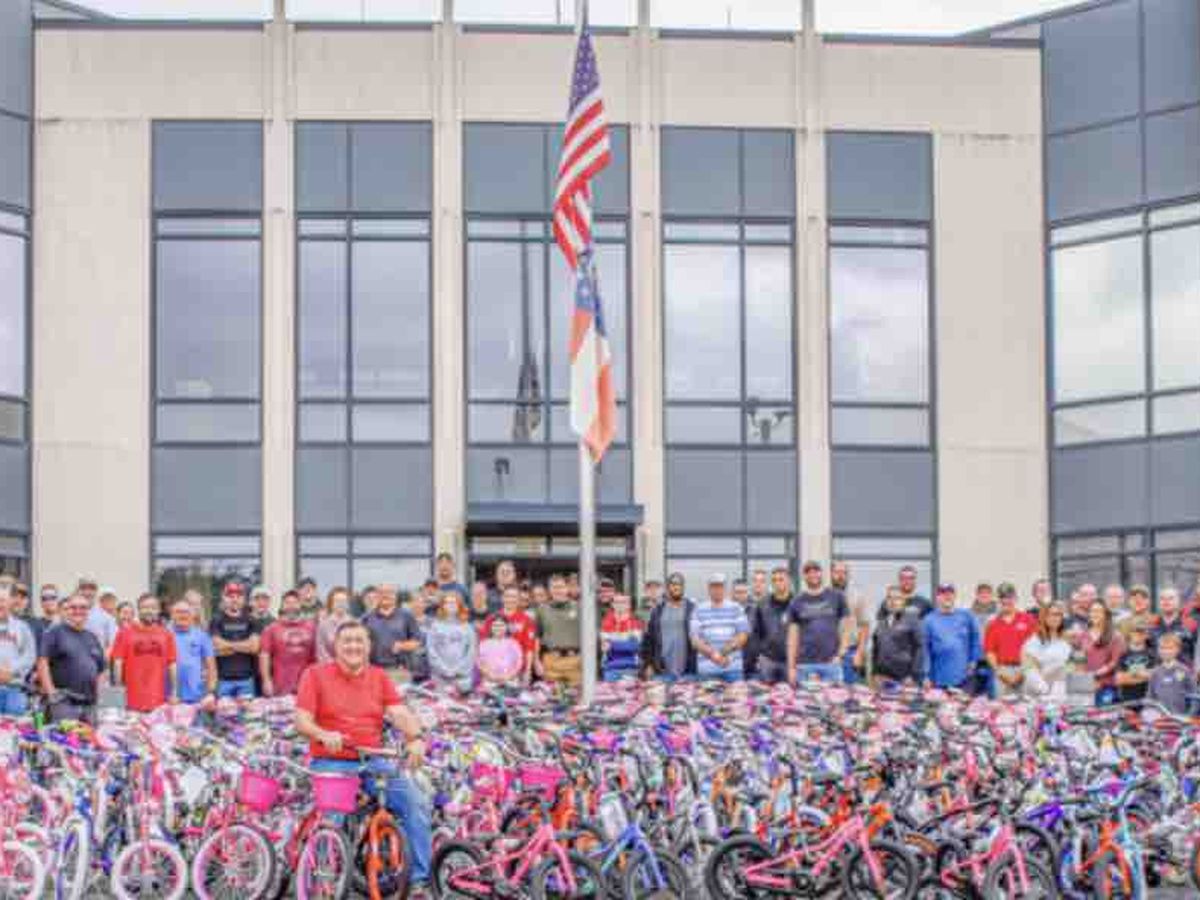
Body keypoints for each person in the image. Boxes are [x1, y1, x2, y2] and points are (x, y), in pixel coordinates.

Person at [295, 621, 432, 890]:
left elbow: (399, 713)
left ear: (368, 646)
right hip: (332, 760)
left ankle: (418, 882)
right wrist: (322, 733)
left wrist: (415, 738)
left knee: (415, 802)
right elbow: (302, 721)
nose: (353, 646)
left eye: (359, 641)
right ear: (336, 646)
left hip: (372, 759)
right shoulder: (315, 674)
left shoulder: (379, 677)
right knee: (332, 820)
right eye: (347, 641)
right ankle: (323, 883)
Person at [38, 593, 107, 722]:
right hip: (64, 704)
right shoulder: (55, 632)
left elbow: (101, 670)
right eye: (73, 607)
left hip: (90, 705)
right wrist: (51, 693)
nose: (78, 611)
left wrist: (100, 697)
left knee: (90, 735)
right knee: (63, 736)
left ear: (89, 611)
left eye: (83, 607)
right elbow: (42, 662)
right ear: (67, 610)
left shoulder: (92, 637)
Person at [786, 560, 851, 686]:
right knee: (804, 699)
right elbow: (792, 637)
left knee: (834, 698)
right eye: (808, 572)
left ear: (821, 574)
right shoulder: (796, 601)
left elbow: (846, 628)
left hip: (831, 664)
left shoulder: (837, 597)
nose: (813, 575)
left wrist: (840, 655)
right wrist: (791, 667)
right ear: (804, 576)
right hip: (805, 665)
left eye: (816, 571)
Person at [110, 594, 177, 713]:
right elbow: (117, 663)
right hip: (131, 703)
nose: (149, 611)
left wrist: (174, 692)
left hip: (158, 702)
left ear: (158, 610)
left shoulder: (166, 635)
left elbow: (172, 665)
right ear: (138, 610)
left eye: (153, 607)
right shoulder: (124, 633)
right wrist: (118, 693)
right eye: (145, 607)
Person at [922, 583, 982, 691]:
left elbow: (975, 639)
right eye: (943, 594)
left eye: (950, 593)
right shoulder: (929, 620)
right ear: (937, 597)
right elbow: (925, 649)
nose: (947, 596)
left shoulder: (966, 616)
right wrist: (926, 675)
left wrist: (973, 661)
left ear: (954, 596)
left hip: (964, 677)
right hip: (938, 679)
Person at [690, 575, 748, 683]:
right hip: (707, 670)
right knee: (706, 695)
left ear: (725, 588)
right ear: (708, 589)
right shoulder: (698, 609)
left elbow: (743, 636)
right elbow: (695, 640)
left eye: (720, 586)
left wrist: (721, 653)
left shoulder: (737, 608)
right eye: (714, 586)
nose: (717, 590)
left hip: (733, 669)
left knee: (736, 695)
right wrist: (713, 655)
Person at [259, 589, 317, 697]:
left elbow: (316, 656)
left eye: (295, 602)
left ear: (300, 605)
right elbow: (264, 655)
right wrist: (266, 680)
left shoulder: (312, 627)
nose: (291, 606)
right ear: (282, 606)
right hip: (280, 686)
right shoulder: (271, 629)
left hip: (307, 684)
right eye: (287, 603)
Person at [210, 583, 264, 699]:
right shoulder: (216, 620)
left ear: (244, 599)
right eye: (230, 596)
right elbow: (216, 646)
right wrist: (245, 645)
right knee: (223, 710)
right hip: (223, 680)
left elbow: (254, 648)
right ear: (224, 598)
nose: (234, 600)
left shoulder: (252, 620)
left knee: (247, 711)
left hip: (246, 680)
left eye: (238, 596)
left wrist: (227, 646)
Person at [983, 582, 1037, 698]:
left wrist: (1023, 672)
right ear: (998, 600)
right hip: (1002, 672)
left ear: (1016, 598)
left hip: (1025, 669)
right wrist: (999, 672)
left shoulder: (1028, 620)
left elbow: (1035, 649)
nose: (1006, 601)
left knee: (1027, 706)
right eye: (1002, 597)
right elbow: (989, 652)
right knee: (1002, 707)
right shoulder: (992, 624)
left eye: (1009, 597)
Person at [641, 572, 696, 682]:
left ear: (683, 587)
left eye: (679, 584)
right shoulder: (657, 610)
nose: (676, 587)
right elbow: (648, 639)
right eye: (673, 584)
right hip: (662, 669)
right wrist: (648, 664)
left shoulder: (692, 609)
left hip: (687, 670)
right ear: (667, 587)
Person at [362, 587, 423, 684]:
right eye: (382, 593)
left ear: (395, 597)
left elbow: (417, 642)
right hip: (373, 670)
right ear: (377, 596)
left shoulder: (406, 616)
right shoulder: (367, 618)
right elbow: (361, 644)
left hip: (399, 670)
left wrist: (402, 646)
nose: (385, 595)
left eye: (390, 593)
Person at [534, 574, 582, 687]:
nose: (558, 590)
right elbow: (537, 637)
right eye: (554, 587)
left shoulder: (579, 607)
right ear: (549, 590)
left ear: (567, 588)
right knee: (551, 695)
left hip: (574, 660)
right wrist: (536, 661)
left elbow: (588, 636)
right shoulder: (542, 609)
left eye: (560, 587)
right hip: (551, 661)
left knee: (577, 695)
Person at [872, 585, 925, 687]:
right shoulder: (881, 622)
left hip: (904, 678)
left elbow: (920, 647)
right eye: (889, 598)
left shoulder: (912, 620)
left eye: (897, 598)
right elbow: (876, 649)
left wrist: (913, 675)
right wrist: (875, 673)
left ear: (903, 601)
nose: (893, 601)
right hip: (883, 677)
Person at [482, 585, 536, 683]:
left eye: (514, 597)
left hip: (517, 672)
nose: (510, 599)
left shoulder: (527, 620)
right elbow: (483, 649)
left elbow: (529, 648)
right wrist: (486, 672)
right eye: (507, 596)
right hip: (493, 673)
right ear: (502, 598)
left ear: (519, 599)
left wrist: (528, 671)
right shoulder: (491, 619)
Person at [168, 597, 216, 706]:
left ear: (193, 614)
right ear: (172, 615)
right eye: (178, 612)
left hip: (196, 698)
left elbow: (211, 667)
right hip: (170, 698)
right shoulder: (164, 634)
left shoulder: (202, 636)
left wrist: (210, 692)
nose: (182, 615)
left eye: (186, 612)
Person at [426, 592, 477, 693]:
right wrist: (443, 669)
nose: (451, 605)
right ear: (443, 606)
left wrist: (458, 669)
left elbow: (471, 650)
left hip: (462, 676)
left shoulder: (467, 627)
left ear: (459, 606)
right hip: (440, 676)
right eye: (447, 603)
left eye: (454, 603)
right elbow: (431, 649)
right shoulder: (435, 626)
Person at [751, 567, 794, 684]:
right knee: (765, 693)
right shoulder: (762, 604)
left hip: (791, 661)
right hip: (768, 660)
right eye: (774, 580)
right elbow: (756, 633)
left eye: (781, 579)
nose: (777, 583)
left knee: (792, 692)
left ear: (789, 581)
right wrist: (759, 655)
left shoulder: (797, 603)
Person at [1021, 603, 1071, 701]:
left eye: (1058, 614)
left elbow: (1069, 666)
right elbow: (1029, 669)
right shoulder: (1034, 641)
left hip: (1060, 693)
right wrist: (1045, 690)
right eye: (1050, 614)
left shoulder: (1067, 640)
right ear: (1044, 617)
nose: (1054, 618)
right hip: (1038, 694)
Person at [0, 585, 36, 715]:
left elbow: (30, 656)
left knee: (15, 725)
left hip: (15, 690)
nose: (0, 604)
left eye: (2, 600)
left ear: (10, 602)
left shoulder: (22, 627)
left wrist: (10, 670)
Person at [1081, 601, 1124, 706]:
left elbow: (1114, 662)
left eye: (1098, 611)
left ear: (1105, 614)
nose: (1094, 614)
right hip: (1086, 686)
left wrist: (1096, 675)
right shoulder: (1083, 635)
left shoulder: (1116, 636)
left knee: (1104, 714)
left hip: (1107, 687)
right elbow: (1079, 660)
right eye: (1092, 611)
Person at [599, 593, 643, 682]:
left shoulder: (636, 622)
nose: (620, 605)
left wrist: (613, 645)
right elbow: (605, 648)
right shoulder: (606, 622)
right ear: (612, 604)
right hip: (610, 669)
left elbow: (634, 647)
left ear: (629, 605)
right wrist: (625, 644)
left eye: (623, 602)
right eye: (617, 602)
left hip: (630, 668)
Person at [1147, 632, 1191, 715]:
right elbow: (1150, 696)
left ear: (1178, 649)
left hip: (1179, 717)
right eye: (1162, 648)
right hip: (1159, 717)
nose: (1166, 652)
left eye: (1170, 648)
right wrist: (1149, 712)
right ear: (1158, 650)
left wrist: (1191, 714)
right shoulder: (1155, 672)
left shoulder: (1184, 670)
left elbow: (1194, 693)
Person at [1151, 587, 1196, 666]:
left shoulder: (1191, 625)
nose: (1166, 601)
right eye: (1162, 598)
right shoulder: (1151, 626)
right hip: (1157, 671)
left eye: (1171, 598)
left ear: (1178, 602)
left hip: (1183, 671)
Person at [1114, 621, 1154, 706]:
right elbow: (1119, 680)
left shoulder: (1153, 654)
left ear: (1146, 635)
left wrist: (1130, 675)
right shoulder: (1123, 654)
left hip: (1147, 700)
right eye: (1134, 631)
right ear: (1130, 633)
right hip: (1127, 700)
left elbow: (1154, 676)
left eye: (1141, 632)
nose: (1137, 635)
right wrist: (1142, 675)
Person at [478, 617, 524, 689]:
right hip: (490, 682)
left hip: (510, 681)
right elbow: (480, 663)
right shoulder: (484, 644)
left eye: (501, 625)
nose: (498, 628)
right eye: (495, 625)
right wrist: (491, 676)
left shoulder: (514, 643)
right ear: (491, 628)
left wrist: (508, 676)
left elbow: (519, 662)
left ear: (506, 627)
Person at [316, 586, 353, 664]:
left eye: (343, 601)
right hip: (329, 666)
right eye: (337, 601)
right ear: (331, 603)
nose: (340, 604)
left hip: (351, 665)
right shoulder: (323, 625)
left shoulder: (355, 623)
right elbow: (321, 649)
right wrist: (333, 665)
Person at [84, 583, 118, 657]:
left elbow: (113, 643)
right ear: (100, 600)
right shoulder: (85, 613)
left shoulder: (110, 618)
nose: (108, 601)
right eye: (105, 599)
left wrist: (104, 659)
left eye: (111, 599)